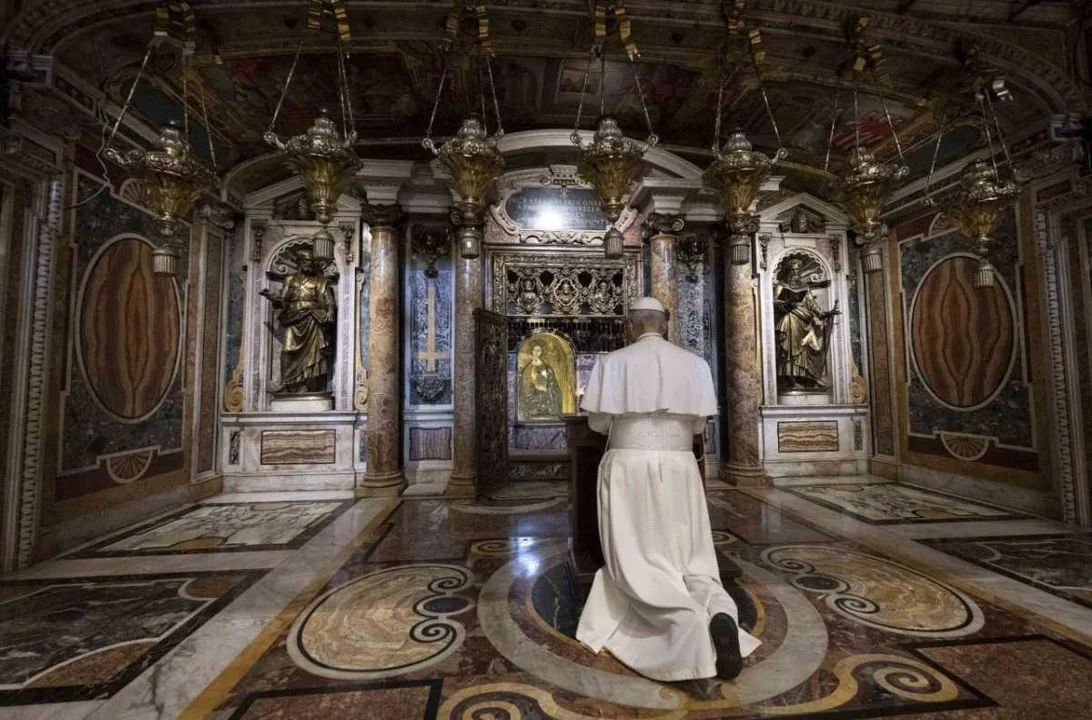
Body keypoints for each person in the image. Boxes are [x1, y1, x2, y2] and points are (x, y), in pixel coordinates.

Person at [576, 296, 760, 697]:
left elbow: (598, 423)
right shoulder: (695, 364)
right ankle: (718, 609)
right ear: (665, 324)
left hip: (627, 467)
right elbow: (696, 427)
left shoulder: (612, 363)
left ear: (630, 326)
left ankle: (686, 625)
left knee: (636, 559)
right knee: (690, 557)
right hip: (679, 467)